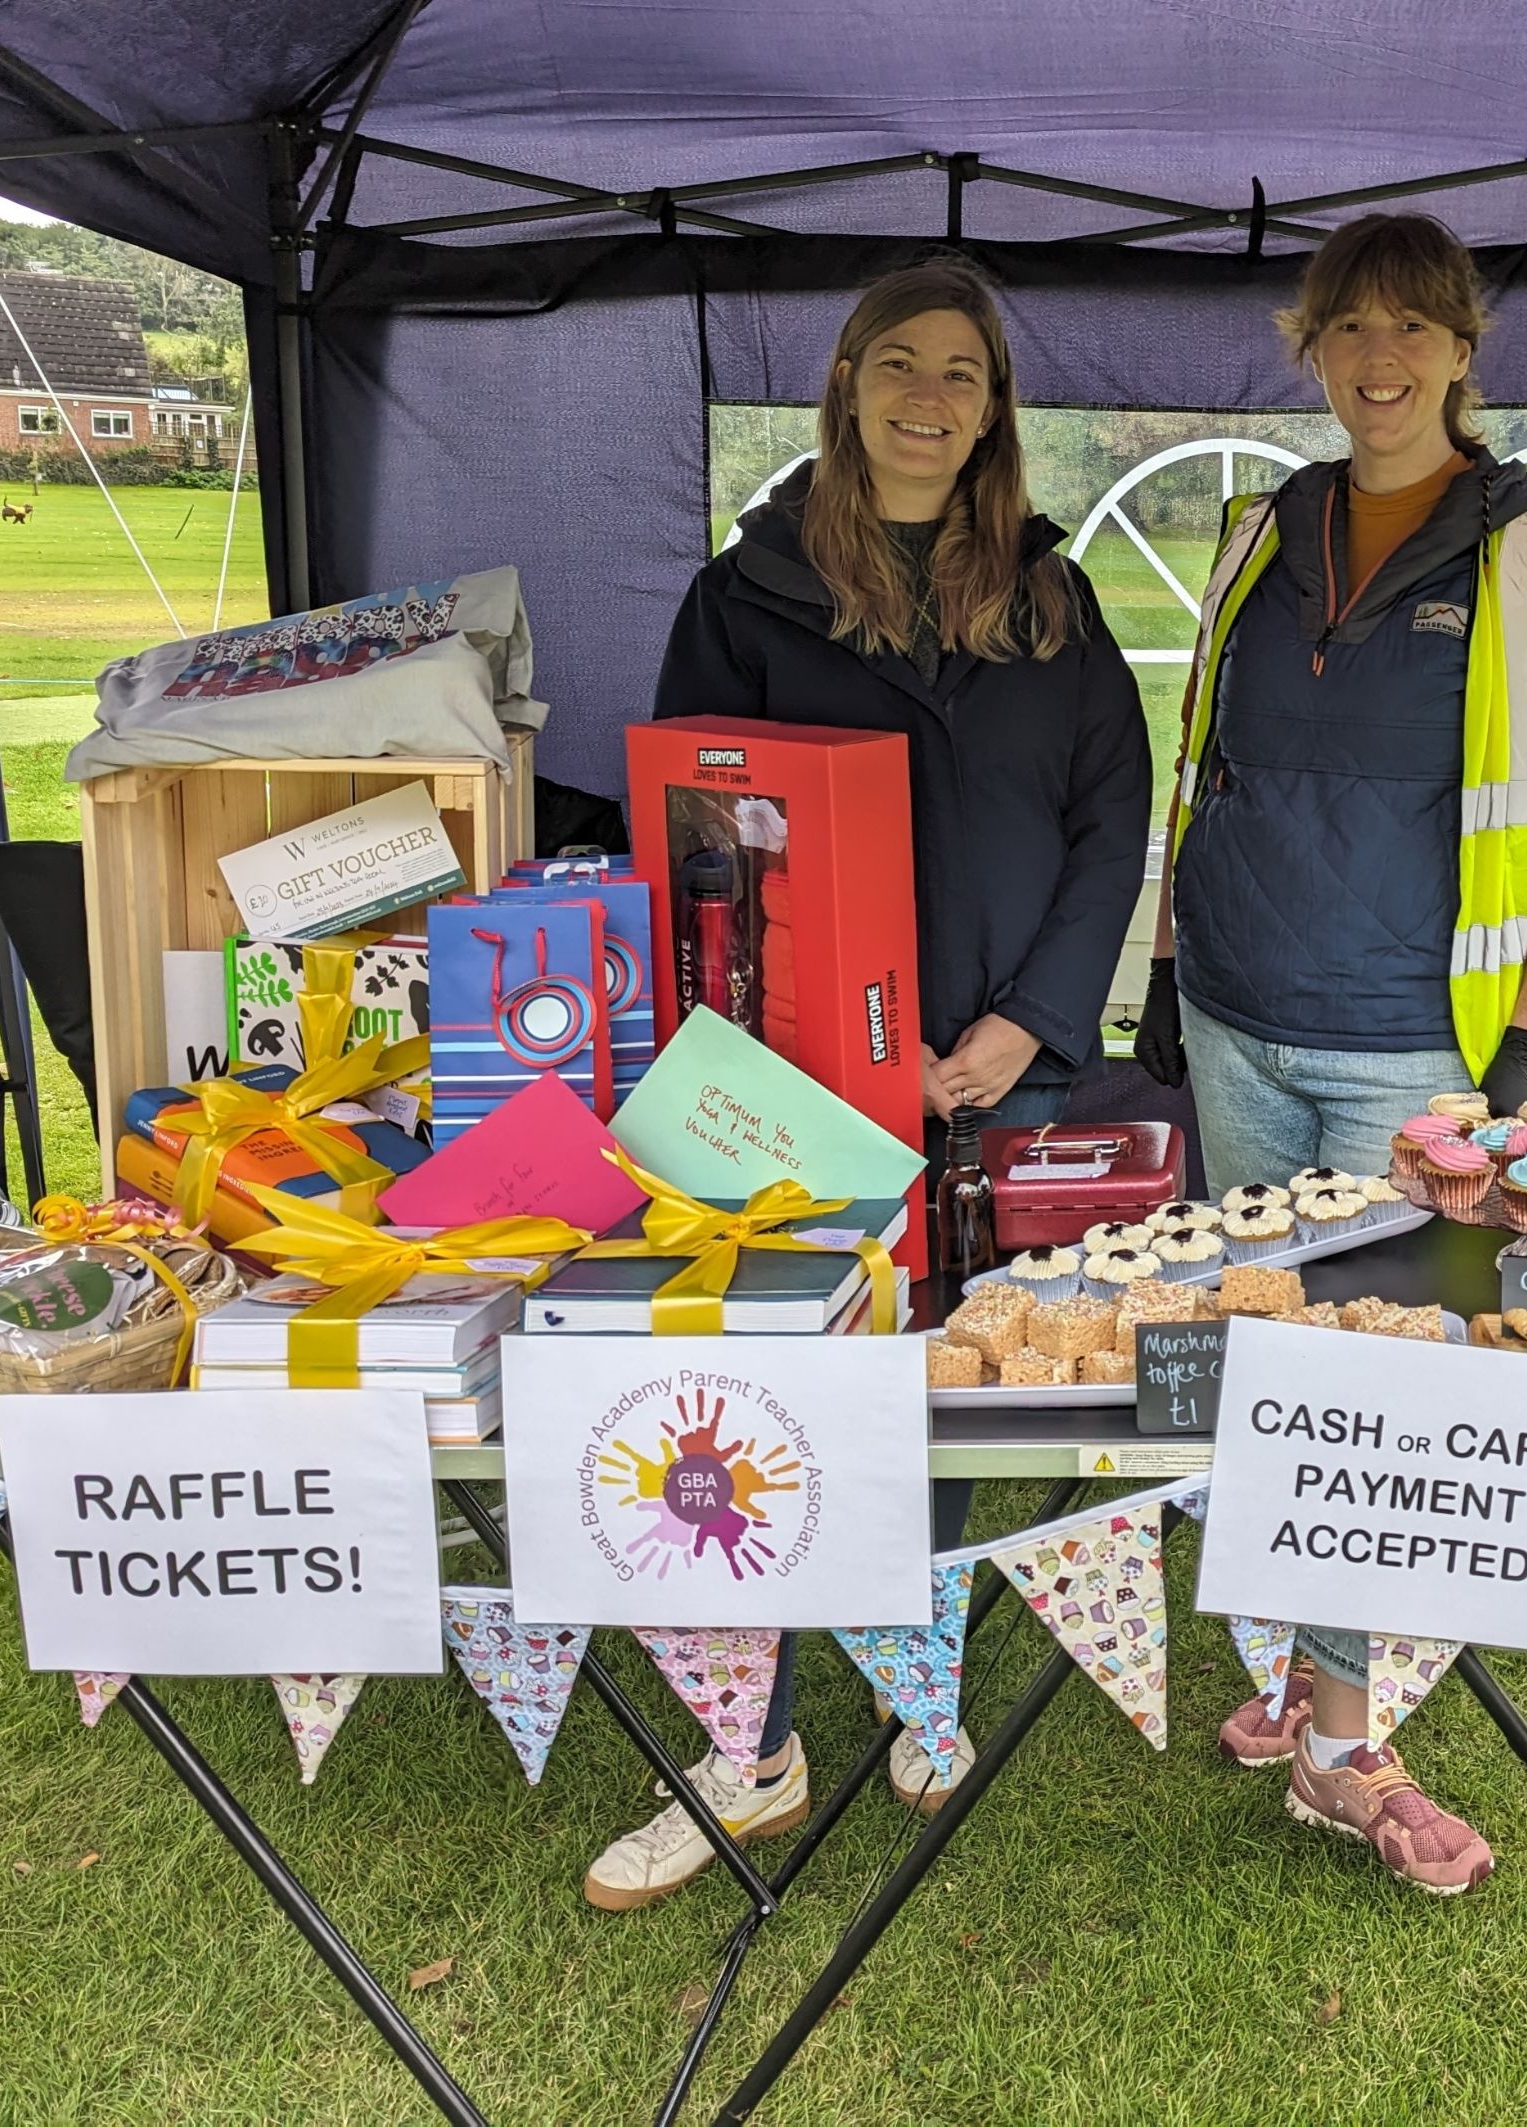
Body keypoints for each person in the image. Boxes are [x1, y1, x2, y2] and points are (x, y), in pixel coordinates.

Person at [585, 259, 1150, 1908]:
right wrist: (828, 1056)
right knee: (763, 1394)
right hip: (794, 1090)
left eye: (962, 373)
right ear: (845, 384)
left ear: (994, 410)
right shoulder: (748, 593)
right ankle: (744, 1738)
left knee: (950, 1387)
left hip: (1001, 1074)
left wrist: (1028, 1028)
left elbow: (1113, 818)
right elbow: (694, 831)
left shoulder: (1055, 599)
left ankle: (928, 1679)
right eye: (897, 365)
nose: (928, 397)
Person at [1135, 215, 1527, 1893]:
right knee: (1268, 1360)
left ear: (1463, 348)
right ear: (1311, 345)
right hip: (1235, 1015)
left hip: (1412, 1048)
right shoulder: (1256, 532)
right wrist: (1166, 967)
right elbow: (1205, 762)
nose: (1381, 359)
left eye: (1414, 328)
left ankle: (1342, 1741)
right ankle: (1302, 1690)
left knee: (1366, 1388)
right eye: (1349, 327)